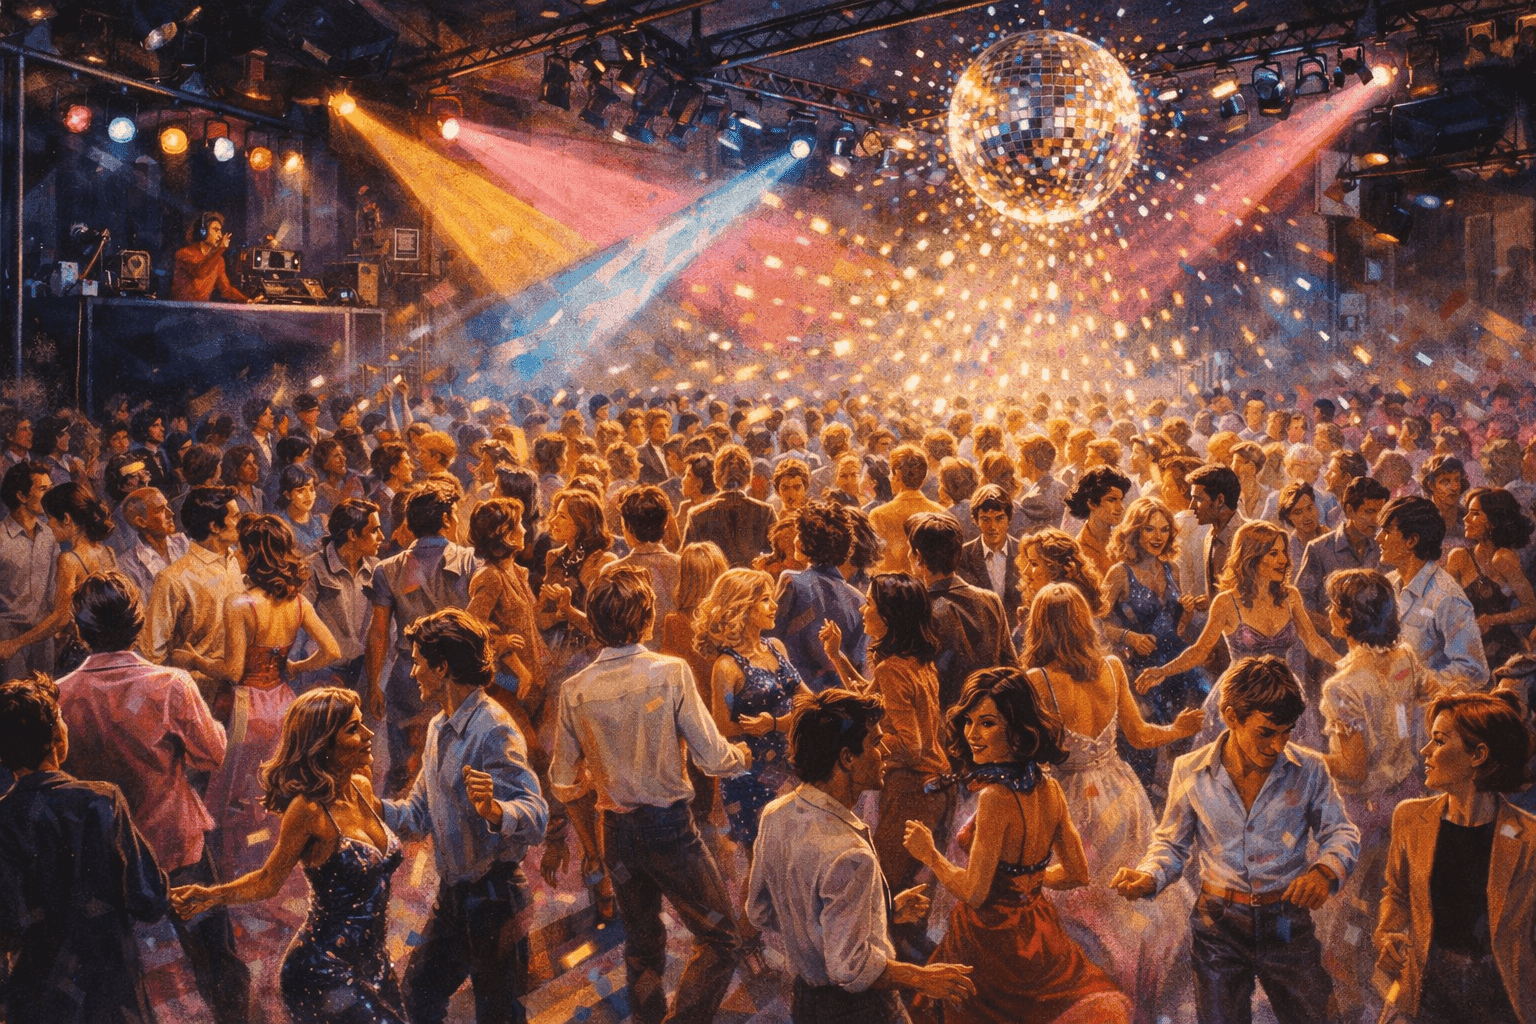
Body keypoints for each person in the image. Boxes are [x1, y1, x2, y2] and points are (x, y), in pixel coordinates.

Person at [549, 566, 751, 1024]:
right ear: (646, 618)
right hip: (670, 831)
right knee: (722, 938)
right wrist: (742, 755)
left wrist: (597, 786)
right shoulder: (670, 673)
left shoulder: (574, 691)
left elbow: (563, 780)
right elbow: (713, 758)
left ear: (594, 624)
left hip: (616, 834)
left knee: (641, 945)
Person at [1111, 655, 1359, 1024]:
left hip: (1286, 923)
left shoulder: (1310, 770)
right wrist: (1149, 875)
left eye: (1287, 732)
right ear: (1231, 716)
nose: (1278, 745)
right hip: (1218, 927)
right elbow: (1171, 844)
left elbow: (1341, 832)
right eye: (1266, 732)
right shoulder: (1190, 771)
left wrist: (1324, 872)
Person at [55, 572, 250, 1024]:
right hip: (174, 843)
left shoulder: (60, 696)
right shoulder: (171, 684)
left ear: (81, 631)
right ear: (138, 625)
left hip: (105, 853)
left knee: (112, 975)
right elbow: (212, 754)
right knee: (216, 955)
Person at [904, 666, 1132, 1024]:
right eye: (969, 721)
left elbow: (974, 893)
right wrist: (1029, 882)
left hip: (990, 939)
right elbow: (1077, 873)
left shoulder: (995, 797)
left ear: (1017, 729)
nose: (972, 734)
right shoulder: (1051, 789)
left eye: (987, 723)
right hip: (1038, 929)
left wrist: (929, 855)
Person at [170, 687, 410, 1024]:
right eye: (354, 729)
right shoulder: (307, 810)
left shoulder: (362, 786)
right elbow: (268, 880)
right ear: (323, 744)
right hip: (321, 970)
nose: (369, 734)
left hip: (375, 965)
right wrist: (210, 896)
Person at [1019, 584, 1202, 1020]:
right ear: (1084, 623)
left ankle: (1092, 996)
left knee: (1077, 903)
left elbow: (1029, 754)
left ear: (1039, 628)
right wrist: (1177, 730)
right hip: (1120, 796)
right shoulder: (1113, 667)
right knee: (1124, 902)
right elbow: (1139, 736)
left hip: (1067, 799)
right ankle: (1133, 990)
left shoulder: (1036, 681)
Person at [747, 688, 976, 1023]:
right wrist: (922, 977)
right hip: (862, 1010)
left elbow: (760, 911)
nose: (886, 752)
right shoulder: (850, 854)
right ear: (847, 758)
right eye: (876, 743)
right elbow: (851, 969)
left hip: (807, 1003)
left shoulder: (775, 815)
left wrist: (882, 911)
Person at [378, 609, 548, 1024]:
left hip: (496, 900)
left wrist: (495, 810)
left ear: (442, 667)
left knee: (499, 1015)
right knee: (417, 997)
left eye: (418, 662)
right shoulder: (438, 728)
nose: (413, 672)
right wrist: (369, 806)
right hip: (454, 898)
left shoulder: (494, 729)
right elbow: (417, 815)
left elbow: (536, 815)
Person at [0, 673, 170, 1024]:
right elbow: (149, 899)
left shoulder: (4, 817)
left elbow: (7, 924)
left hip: (36, 997)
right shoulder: (101, 800)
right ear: (57, 737)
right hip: (108, 991)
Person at [181, 514, 341, 879]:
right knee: (270, 787)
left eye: (240, 548)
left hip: (246, 709)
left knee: (233, 790)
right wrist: (296, 667)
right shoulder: (297, 603)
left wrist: (195, 661)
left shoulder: (240, 604)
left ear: (253, 554)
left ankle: (231, 868)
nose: (235, 554)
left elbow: (233, 672)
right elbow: (332, 649)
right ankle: (267, 861)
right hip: (283, 705)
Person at [1313, 568, 1438, 1022]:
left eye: (1334, 607)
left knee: (1344, 915)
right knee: (1393, 904)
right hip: (1407, 799)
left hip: (1361, 815)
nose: (1329, 613)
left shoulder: (1343, 687)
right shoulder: (1404, 657)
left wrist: (1304, 757)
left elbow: (1352, 767)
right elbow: (1432, 694)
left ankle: (1350, 1001)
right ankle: (1388, 997)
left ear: (1347, 618)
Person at [1374, 691, 1536, 1024]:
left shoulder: (1529, 838)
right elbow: (1397, 894)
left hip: (1501, 998)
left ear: (1478, 754)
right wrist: (1388, 935)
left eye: (1438, 741)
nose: (1425, 751)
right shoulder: (1410, 818)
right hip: (1427, 990)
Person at [819, 572, 954, 959]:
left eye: (871, 606)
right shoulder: (913, 662)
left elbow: (910, 746)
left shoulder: (892, 668)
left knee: (888, 888)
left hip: (913, 791)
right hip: (937, 788)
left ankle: (893, 970)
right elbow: (871, 701)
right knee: (910, 887)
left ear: (891, 617)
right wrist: (837, 657)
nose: (863, 610)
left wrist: (858, 747)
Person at [1137, 520, 1341, 747]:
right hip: (1240, 696)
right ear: (1252, 557)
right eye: (1274, 553)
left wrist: (1345, 664)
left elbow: (1315, 643)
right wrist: (1163, 671)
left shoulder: (1290, 597)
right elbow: (1200, 650)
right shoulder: (1226, 602)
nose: (1283, 560)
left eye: (1283, 552)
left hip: (1284, 694)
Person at [365, 480, 479, 796]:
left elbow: (378, 633)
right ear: (445, 518)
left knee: (404, 765)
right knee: (460, 763)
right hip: (459, 674)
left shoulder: (387, 569)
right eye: (454, 513)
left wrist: (374, 683)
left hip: (408, 674)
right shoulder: (470, 562)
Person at [695, 567, 809, 869]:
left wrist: (775, 724)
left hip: (791, 764)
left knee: (795, 859)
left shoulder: (776, 647)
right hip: (751, 777)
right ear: (742, 608)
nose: (774, 606)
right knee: (763, 864)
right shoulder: (726, 666)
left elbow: (808, 700)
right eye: (765, 600)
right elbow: (722, 726)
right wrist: (767, 727)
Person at [1100, 496, 1206, 793]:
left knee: (1189, 735)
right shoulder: (1119, 573)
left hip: (1175, 667)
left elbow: (1178, 629)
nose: (1158, 537)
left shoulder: (1171, 569)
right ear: (1135, 531)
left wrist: (1186, 613)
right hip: (1139, 671)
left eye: (1163, 529)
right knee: (1146, 747)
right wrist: (1129, 637)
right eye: (1150, 529)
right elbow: (1098, 623)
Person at [0, 482, 117, 672]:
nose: (48, 525)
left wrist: (16, 644)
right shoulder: (108, 552)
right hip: (109, 649)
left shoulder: (69, 560)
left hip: (86, 654)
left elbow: (61, 617)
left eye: (51, 518)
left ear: (67, 519)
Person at [1378, 496, 1489, 690]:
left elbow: (1474, 669)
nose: (1378, 538)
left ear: (1412, 540)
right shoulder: (1388, 584)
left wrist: (1417, 683)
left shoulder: (1446, 597)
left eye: (1387, 532)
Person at [908, 512, 1016, 708]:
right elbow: (1011, 667)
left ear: (919, 558)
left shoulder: (918, 610)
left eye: (911, 550)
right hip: (989, 712)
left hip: (945, 717)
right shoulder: (990, 599)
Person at [770, 500, 867, 692]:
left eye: (799, 534)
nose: (795, 540)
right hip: (842, 697)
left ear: (808, 542)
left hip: (797, 694)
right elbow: (858, 662)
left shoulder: (792, 581)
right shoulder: (858, 599)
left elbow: (771, 638)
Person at [1446, 487, 1535, 672]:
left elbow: (1531, 609)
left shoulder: (1503, 559)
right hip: (1465, 651)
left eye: (1475, 514)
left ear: (1493, 522)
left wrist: (1493, 620)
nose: (1466, 519)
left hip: (1502, 655)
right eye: (1467, 513)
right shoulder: (1458, 557)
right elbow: (1446, 607)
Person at [305, 498, 383, 696]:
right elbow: (297, 627)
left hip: (362, 676)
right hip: (321, 676)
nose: (381, 537)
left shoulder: (376, 569)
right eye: (374, 530)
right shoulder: (313, 567)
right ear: (352, 535)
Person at [1296, 475, 1389, 633]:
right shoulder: (1319, 549)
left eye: (1380, 513)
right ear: (1350, 511)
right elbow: (1301, 604)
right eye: (1369, 512)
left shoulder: (1383, 549)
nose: (1376, 520)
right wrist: (1335, 629)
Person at [0, 462, 60, 677]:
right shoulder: (1, 539)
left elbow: (54, 587)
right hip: (6, 639)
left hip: (43, 636)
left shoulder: (50, 535)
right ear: (21, 496)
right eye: (43, 489)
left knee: (46, 693)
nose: (50, 495)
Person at [682, 444, 775, 568]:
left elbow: (686, 561)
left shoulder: (696, 515)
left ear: (716, 476)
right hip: (754, 579)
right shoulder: (766, 512)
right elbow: (777, 555)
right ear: (748, 477)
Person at [868, 444, 949, 575]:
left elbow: (875, 562)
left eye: (891, 472)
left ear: (897, 474)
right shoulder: (941, 512)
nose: (890, 478)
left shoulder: (878, 515)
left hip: (893, 585)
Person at [956, 484, 1023, 632]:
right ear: (976, 521)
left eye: (999, 518)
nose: (993, 526)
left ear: (1009, 519)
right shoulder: (962, 556)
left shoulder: (1023, 552)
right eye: (985, 519)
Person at [116, 486, 190, 606]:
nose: (170, 513)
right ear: (141, 522)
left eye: (167, 506)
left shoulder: (182, 542)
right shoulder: (128, 565)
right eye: (159, 510)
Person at [170, 212, 261, 303]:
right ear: (203, 232)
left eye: (220, 231)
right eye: (216, 230)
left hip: (202, 309)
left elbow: (226, 290)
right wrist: (220, 249)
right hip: (181, 308)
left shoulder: (219, 260)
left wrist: (246, 300)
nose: (220, 236)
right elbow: (200, 272)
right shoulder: (184, 253)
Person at [1065, 465, 1131, 578]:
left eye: (1121, 500)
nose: (1121, 507)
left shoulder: (1125, 543)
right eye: (1112, 500)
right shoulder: (1077, 551)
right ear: (1091, 504)